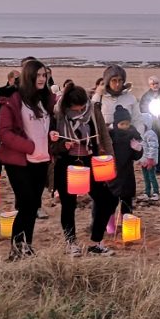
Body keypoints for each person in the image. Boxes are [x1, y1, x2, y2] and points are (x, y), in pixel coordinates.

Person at [0, 59, 56, 259]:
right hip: (19, 162)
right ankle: (16, 248)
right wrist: (28, 146)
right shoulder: (14, 100)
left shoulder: (45, 99)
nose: (42, 78)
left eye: (44, 75)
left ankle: (27, 246)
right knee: (26, 204)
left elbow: (46, 127)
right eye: (37, 75)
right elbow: (2, 133)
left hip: (41, 160)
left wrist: (51, 137)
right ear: (28, 76)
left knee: (33, 205)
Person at [49, 83, 113, 256]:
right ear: (68, 105)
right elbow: (51, 145)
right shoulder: (57, 114)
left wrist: (110, 157)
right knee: (69, 204)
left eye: (83, 107)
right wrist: (63, 145)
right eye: (76, 108)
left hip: (90, 160)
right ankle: (71, 243)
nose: (80, 111)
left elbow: (104, 135)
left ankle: (97, 241)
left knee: (106, 199)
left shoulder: (93, 110)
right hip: (67, 163)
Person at [108, 105, 143, 217]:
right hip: (113, 174)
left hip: (127, 174)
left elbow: (135, 157)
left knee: (127, 202)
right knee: (111, 202)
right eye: (122, 124)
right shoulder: (111, 137)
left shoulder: (132, 135)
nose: (125, 126)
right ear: (116, 124)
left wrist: (138, 150)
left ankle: (126, 222)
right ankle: (110, 223)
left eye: (127, 124)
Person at [93, 65, 145, 133]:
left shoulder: (130, 98)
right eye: (114, 80)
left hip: (126, 138)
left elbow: (137, 121)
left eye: (120, 80)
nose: (117, 84)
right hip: (106, 138)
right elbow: (93, 122)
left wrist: (139, 138)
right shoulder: (98, 97)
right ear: (108, 82)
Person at [139, 76, 160, 174]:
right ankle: (150, 167)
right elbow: (142, 110)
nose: (155, 85)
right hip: (150, 125)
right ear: (150, 85)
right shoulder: (146, 96)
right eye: (153, 84)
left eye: (157, 83)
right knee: (150, 146)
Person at [0, 69, 20, 173]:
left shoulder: (21, 92)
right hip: (0, 130)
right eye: (16, 79)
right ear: (10, 79)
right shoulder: (0, 92)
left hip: (15, 132)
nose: (19, 81)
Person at [139, 111, 160, 201]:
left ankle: (156, 192)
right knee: (146, 177)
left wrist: (150, 158)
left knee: (152, 176)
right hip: (144, 160)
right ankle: (147, 192)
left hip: (150, 160)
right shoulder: (141, 134)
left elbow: (153, 147)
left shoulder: (150, 134)